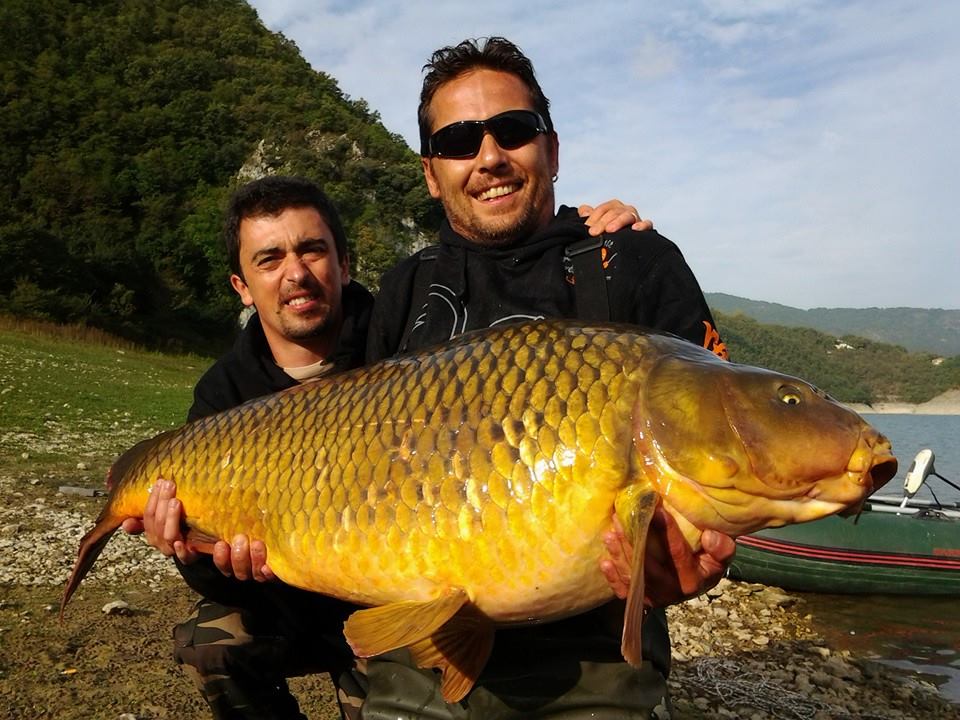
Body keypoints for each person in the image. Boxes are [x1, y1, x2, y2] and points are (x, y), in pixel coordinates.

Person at [127, 174, 651, 719]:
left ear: (344, 262)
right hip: (291, 598)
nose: (296, 274)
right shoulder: (224, 393)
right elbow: (216, 569)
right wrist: (195, 551)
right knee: (211, 641)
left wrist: (586, 234)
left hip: (390, 596)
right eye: (270, 259)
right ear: (241, 285)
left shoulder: (401, 335)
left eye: (312, 250)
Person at [359, 37, 734, 719]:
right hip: (425, 634)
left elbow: (720, 448)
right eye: (460, 141)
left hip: (593, 656)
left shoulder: (634, 262)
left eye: (514, 130)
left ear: (552, 150)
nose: (490, 157)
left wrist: (686, 566)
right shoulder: (403, 291)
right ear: (430, 173)